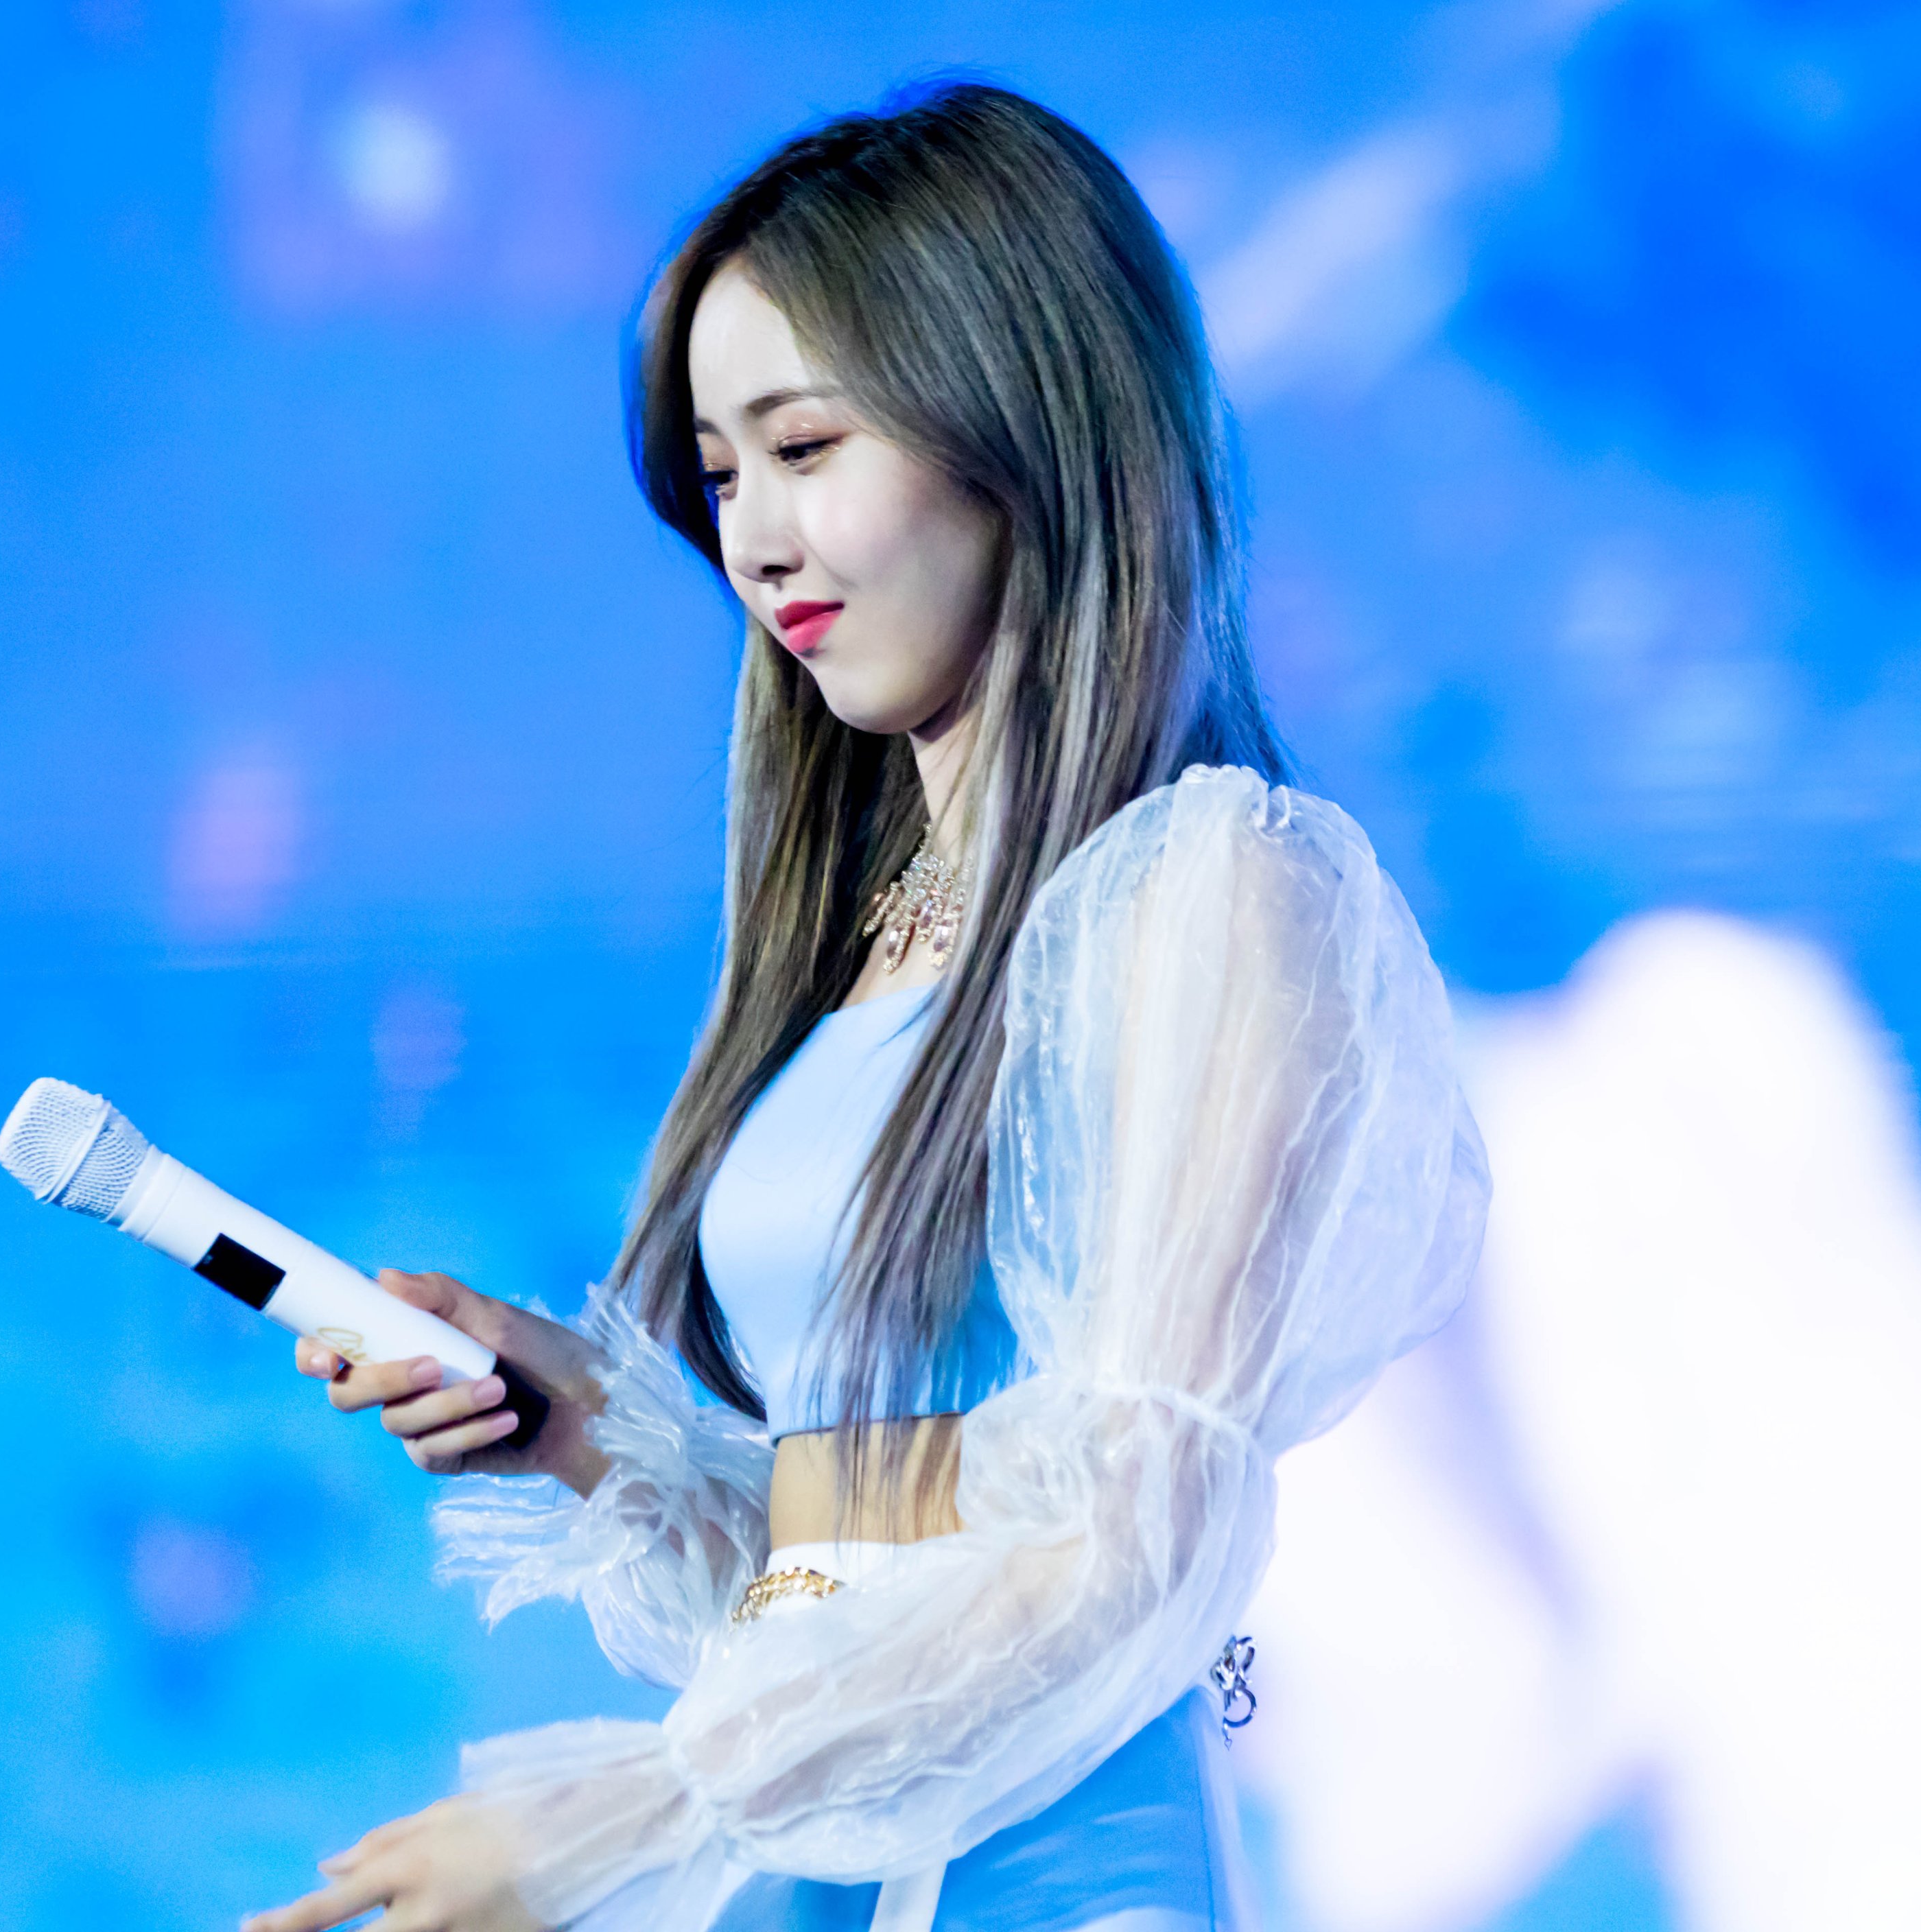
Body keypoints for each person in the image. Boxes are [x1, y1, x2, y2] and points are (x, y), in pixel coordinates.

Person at [239, 80, 1489, 1932]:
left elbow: (1129, 1516)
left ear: (1021, 420)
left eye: (804, 446)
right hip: (839, 1857)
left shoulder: (1214, 887)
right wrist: (593, 1434)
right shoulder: (867, 925)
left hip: (1056, 1875)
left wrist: (645, 1810)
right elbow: (898, 1534)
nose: (752, 539)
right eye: (719, 476)